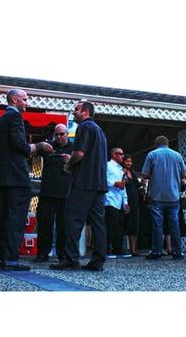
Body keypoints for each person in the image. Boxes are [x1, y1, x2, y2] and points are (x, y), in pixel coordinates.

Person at [0, 89, 53, 271]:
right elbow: (19, 145)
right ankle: (11, 259)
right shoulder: (14, 118)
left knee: (2, 217)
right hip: (16, 177)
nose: (27, 102)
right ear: (14, 100)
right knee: (16, 218)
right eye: (25, 99)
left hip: (2, 175)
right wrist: (38, 146)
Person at [50, 101, 108, 271]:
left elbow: (79, 154)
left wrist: (69, 162)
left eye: (76, 110)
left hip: (83, 181)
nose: (73, 112)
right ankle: (98, 260)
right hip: (98, 183)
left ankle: (71, 259)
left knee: (72, 219)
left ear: (86, 112)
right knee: (98, 222)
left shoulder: (84, 128)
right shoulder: (100, 131)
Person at [141, 135, 186, 260]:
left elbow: (145, 174)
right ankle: (177, 251)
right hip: (173, 195)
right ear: (167, 143)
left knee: (157, 224)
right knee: (174, 223)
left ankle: (157, 251)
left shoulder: (152, 155)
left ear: (156, 144)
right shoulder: (177, 155)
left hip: (156, 194)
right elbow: (183, 174)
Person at [34, 123, 73, 262]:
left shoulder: (74, 148)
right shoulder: (48, 146)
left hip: (65, 194)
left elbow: (84, 164)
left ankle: (62, 254)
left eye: (62, 134)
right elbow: (31, 152)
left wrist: (71, 160)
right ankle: (42, 253)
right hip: (47, 192)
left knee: (64, 226)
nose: (59, 137)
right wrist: (40, 145)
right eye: (56, 134)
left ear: (67, 134)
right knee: (44, 225)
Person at [104, 147, 130, 258]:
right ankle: (105, 249)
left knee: (120, 225)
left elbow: (123, 186)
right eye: (121, 154)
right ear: (114, 154)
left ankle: (117, 248)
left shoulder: (120, 169)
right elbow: (102, 179)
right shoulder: (107, 165)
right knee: (110, 225)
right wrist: (114, 183)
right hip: (109, 199)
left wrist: (125, 202)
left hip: (119, 201)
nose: (123, 156)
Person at [122, 154, 141, 256]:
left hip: (134, 201)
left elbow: (138, 186)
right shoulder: (121, 171)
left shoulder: (133, 172)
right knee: (122, 224)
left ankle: (133, 249)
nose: (129, 163)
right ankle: (117, 247)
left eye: (130, 161)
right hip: (124, 200)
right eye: (127, 161)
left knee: (134, 224)